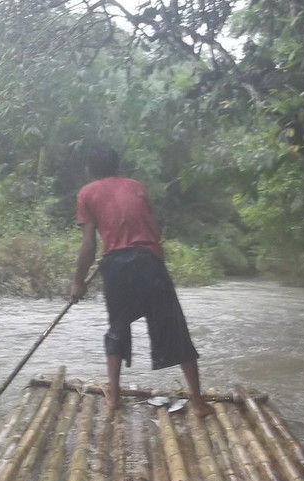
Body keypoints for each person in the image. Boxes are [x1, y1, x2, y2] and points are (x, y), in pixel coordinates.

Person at [68, 146, 215, 417]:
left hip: (117, 267)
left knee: (117, 328)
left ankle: (113, 397)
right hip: (149, 261)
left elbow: (88, 243)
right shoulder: (136, 186)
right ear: (117, 167)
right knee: (174, 327)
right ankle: (198, 402)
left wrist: (79, 282)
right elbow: (151, 228)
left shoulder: (86, 193)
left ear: (90, 170)